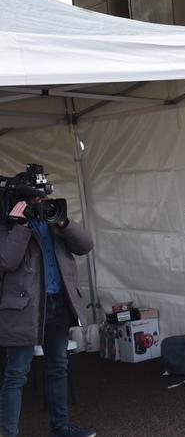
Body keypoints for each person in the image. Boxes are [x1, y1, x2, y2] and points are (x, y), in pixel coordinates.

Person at [0, 173, 96, 437]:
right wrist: (21, 225)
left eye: (43, 198)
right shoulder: (7, 225)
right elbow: (7, 261)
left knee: (58, 367)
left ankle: (61, 429)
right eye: (34, 199)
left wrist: (63, 221)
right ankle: (8, 434)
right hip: (24, 309)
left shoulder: (53, 219)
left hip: (58, 305)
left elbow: (86, 245)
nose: (40, 203)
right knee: (16, 374)